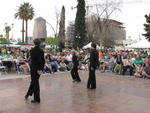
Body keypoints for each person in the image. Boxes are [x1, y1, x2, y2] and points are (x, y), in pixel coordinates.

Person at [25, 39, 45, 103]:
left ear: (34, 43)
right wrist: (41, 69)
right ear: (39, 43)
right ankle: (28, 94)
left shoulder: (32, 51)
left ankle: (37, 99)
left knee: (35, 83)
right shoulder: (42, 51)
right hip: (39, 69)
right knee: (34, 82)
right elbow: (43, 61)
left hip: (34, 69)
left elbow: (32, 60)